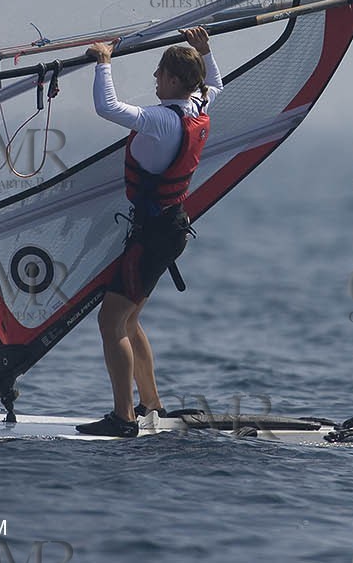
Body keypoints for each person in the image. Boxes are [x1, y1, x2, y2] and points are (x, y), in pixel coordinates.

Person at [76, 26, 220, 438]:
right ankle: (152, 404)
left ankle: (123, 419)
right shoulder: (200, 104)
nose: (154, 79)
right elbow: (215, 84)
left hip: (154, 234)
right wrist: (205, 51)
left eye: (159, 73)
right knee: (130, 318)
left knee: (111, 322)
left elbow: (108, 108)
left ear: (173, 80)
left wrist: (104, 61)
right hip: (169, 229)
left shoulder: (159, 120)